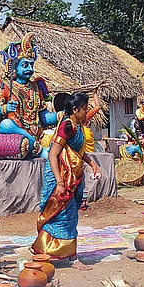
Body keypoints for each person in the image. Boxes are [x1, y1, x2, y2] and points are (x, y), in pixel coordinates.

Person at [31, 92, 102, 271]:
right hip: (61, 176)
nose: (86, 112)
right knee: (61, 214)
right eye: (84, 109)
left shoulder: (78, 125)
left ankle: (58, 252)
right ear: (75, 109)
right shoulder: (66, 127)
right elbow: (53, 154)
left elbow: (77, 150)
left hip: (73, 175)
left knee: (69, 215)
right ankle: (67, 257)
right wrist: (60, 182)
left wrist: (92, 163)